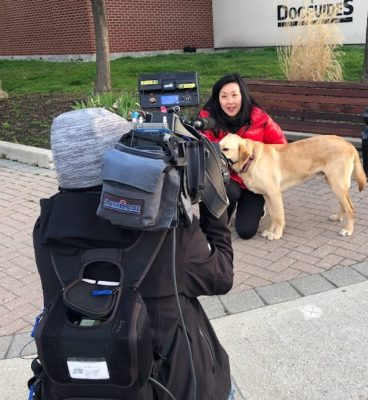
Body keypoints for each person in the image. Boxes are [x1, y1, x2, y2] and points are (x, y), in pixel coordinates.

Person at [32, 108, 236, 400]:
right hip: (174, 384)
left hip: (77, 388)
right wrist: (214, 205)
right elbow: (221, 276)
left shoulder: (45, 230)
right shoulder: (167, 227)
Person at [198, 73, 287, 239]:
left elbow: (281, 146)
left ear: (243, 96)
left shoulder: (259, 118)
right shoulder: (207, 119)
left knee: (246, 231)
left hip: (255, 181)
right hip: (227, 178)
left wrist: (264, 166)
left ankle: (259, 209)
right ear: (218, 99)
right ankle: (226, 213)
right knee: (228, 192)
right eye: (224, 96)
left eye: (234, 95)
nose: (229, 101)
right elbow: (203, 150)